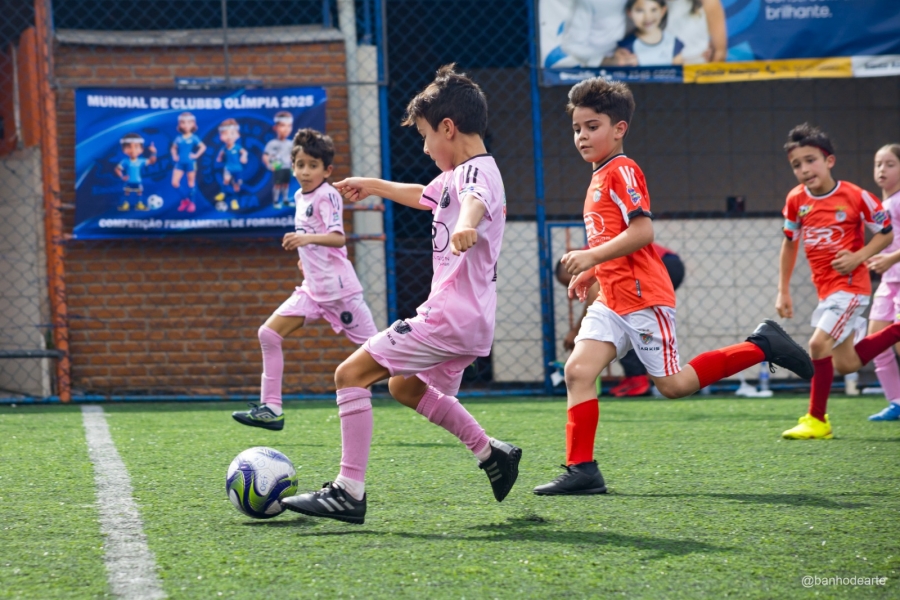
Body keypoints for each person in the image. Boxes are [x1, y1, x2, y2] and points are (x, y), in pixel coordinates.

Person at [533, 77, 813, 496]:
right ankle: (582, 470)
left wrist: (590, 257)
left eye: (592, 126)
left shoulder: (623, 169)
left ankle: (762, 345)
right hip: (611, 299)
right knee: (578, 371)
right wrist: (594, 270)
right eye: (577, 128)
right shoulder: (598, 176)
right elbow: (613, 238)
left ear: (619, 129)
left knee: (674, 385)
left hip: (643, 298)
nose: (582, 136)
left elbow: (643, 231)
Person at [279, 65, 521, 524]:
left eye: (426, 136)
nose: (425, 148)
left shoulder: (474, 174)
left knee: (350, 374)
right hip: (470, 320)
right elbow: (425, 195)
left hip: (448, 316)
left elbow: (474, 202)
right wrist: (371, 186)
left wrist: (466, 225)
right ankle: (492, 453)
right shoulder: (461, 173)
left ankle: (349, 491)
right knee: (404, 386)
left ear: (448, 128)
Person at [232, 129, 379, 431]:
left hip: (340, 293)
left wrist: (304, 239)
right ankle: (272, 408)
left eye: (313, 165)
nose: (305, 172)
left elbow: (337, 238)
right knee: (268, 334)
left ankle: (435, 378)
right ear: (292, 167)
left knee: (382, 355)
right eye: (300, 165)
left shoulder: (328, 195)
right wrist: (306, 258)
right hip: (312, 291)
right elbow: (315, 239)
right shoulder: (300, 196)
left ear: (327, 170)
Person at [777, 125, 900, 439]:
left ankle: (817, 419)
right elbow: (789, 243)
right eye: (796, 165)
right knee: (846, 363)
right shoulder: (796, 200)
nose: (804, 169)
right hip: (827, 290)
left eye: (811, 160)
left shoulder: (857, 196)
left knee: (818, 344)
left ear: (829, 160)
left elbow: (885, 234)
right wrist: (783, 290)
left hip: (851, 287)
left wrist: (859, 257)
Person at [556, 243, 685, 396]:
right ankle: (637, 376)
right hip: (666, 262)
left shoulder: (586, 257)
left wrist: (576, 331)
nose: (573, 289)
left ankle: (637, 377)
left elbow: (593, 296)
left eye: (569, 282)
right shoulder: (591, 251)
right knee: (625, 317)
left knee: (622, 318)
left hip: (660, 264)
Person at [862, 144, 900, 421]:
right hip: (889, 282)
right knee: (875, 341)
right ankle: (897, 402)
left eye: (890, 164)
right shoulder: (880, 206)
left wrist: (891, 258)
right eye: (878, 164)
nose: (881, 169)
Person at [615, 0, 684, 66]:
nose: (647, 17)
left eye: (653, 10)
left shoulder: (673, 42)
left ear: (663, 11)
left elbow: (679, 71)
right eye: (640, 10)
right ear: (629, 13)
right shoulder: (625, 46)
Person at [170, 112, 206, 213]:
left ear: (193, 124)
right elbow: (173, 148)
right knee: (174, 183)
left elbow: (203, 147)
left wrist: (196, 155)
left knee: (191, 183)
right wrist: (174, 155)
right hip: (180, 163)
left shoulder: (194, 137)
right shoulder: (178, 138)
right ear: (180, 124)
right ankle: (185, 200)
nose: (186, 125)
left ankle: (192, 203)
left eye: (189, 122)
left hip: (190, 163)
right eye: (183, 123)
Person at [114, 133, 156, 211]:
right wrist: (122, 177)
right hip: (129, 181)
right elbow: (117, 169)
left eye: (136, 147)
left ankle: (139, 204)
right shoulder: (125, 161)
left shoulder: (141, 161)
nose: (133, 150)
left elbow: (152, 162)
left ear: (141, 149)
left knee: (139, 192)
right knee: (127, 192)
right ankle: (125, 204)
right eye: (129, 147)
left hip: (137, 181)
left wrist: (153, 152)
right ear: (123, 150)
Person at [263, 111, 296, 210]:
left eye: (289, 126)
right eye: (282, 125)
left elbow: (293, 156)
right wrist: (270, 165)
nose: (286, 129)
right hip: (278, 168)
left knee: (286, 184)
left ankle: (285, 200)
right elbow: (265, 156)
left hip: (287, 168)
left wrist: (293, 166)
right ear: (275, 128)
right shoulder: (272, 143)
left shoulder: (291, 143)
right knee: (277, 185)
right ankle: (276, 201)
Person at [214, 118, 248, 211]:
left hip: (237, 169)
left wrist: (244, 157)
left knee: (236, 186)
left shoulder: (237, 147)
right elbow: (221, 154)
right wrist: (219, 158)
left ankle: (234, 200)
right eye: (225, 134)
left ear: (237, 134)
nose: (229, 137)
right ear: (221, 136)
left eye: (232, 133)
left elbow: (244, 152)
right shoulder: (224, 148)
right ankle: (222, 193)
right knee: (225, 180)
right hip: (228, 168)